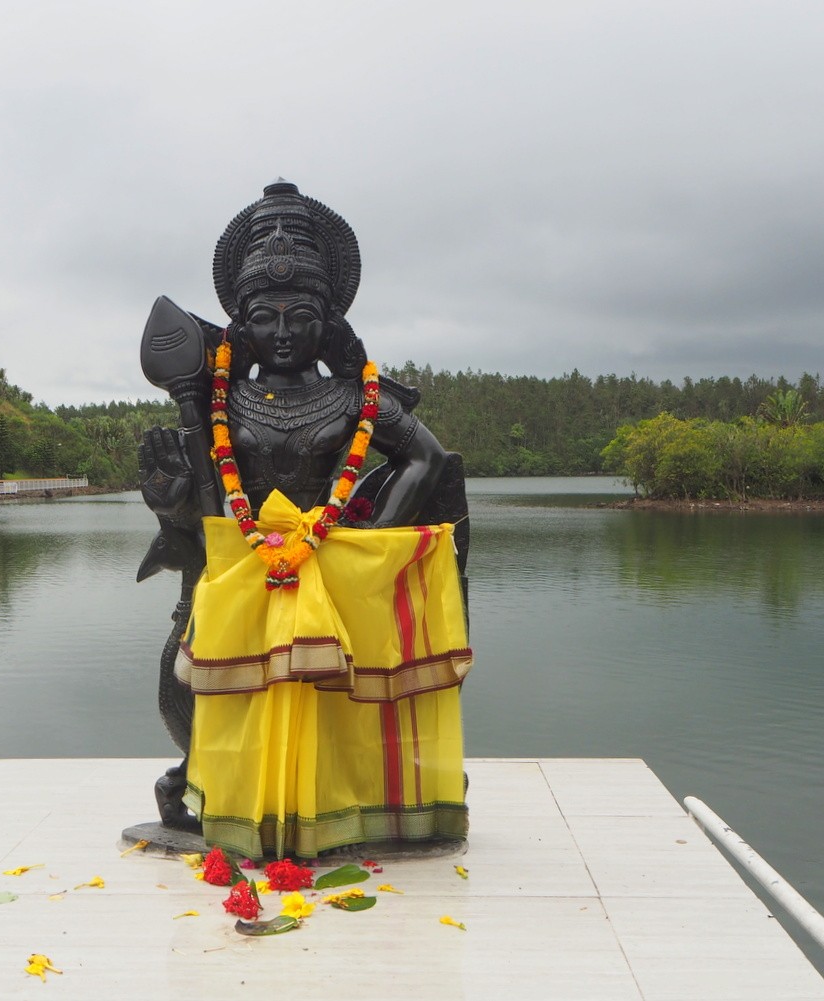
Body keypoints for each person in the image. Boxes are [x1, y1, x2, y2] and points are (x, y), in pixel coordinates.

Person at [139, 181, 473, 859]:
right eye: (265, 317)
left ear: (327, 321)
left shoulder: (351, 395)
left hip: (327, 567)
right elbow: (205, 499)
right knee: (192, 673)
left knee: (340, 689)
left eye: (300, 317)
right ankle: (219, 786)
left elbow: (429, 460)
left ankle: (347, 798)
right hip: (243, 563)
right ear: (239, 323)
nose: (284, 333)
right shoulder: (219, 405)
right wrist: (168, 493)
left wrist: (370, 540)